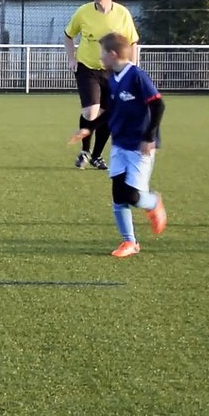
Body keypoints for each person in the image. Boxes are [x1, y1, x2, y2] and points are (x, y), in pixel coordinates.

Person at [68, 33, 166, 257]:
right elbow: (112, 110)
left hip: (139, 146)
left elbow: (158, 105)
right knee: (118, 195)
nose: (100, 57)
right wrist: (90, 128)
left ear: (113, 55)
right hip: (120, 144)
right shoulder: (113, 78)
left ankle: (153, 202)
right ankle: (129, 242)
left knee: (133, 196)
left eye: (102, 53)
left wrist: (149, 137)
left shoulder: (137, 76)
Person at [65, 0, 140, 171]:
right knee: (91, 112)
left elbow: (132, 42)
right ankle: (84, 151)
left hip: (113, 70)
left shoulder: (122, 14)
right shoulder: (83, 12)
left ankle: (97, 155)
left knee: (108, 113)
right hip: (87, 68)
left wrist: (132, 67)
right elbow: (68, 35)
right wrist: (72, 59)